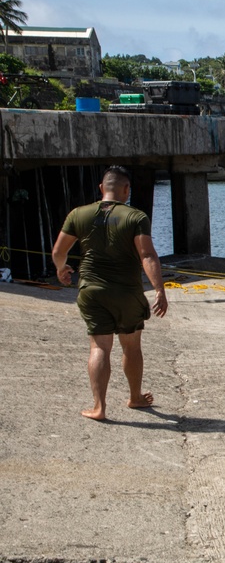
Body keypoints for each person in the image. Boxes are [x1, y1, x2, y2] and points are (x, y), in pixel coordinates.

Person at [51, 165, 168, 420]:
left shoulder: (78, 214)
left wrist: (62, 269)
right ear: (126, 190)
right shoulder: (136, 217)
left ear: (102, 188)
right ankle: (135, 397)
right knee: (131, 345)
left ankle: (99, 407)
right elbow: (147, 254)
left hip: (91, 290)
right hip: (127, 292)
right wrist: (159, 289)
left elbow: (59, 252)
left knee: (99, 347)